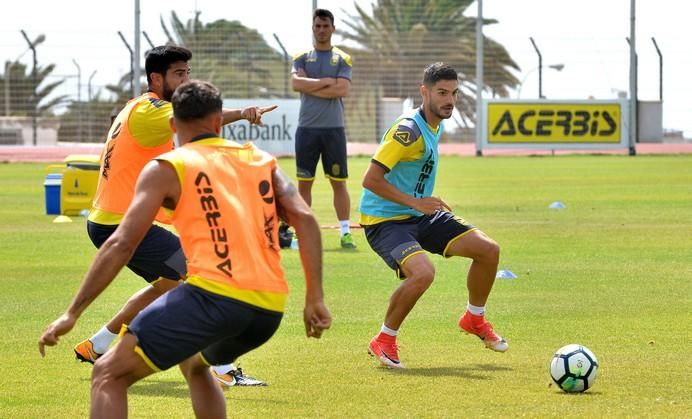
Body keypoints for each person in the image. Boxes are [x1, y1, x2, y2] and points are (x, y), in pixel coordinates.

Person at [39, 80, 331, 418]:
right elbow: (306, 221)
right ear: (220, 122)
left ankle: (100, 344)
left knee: (108, 374)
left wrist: (72, 313)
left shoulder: (168, 166)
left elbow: (120, 243)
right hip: (268, 308)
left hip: (213, 298)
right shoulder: (262, 160)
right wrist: (315, 298)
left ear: (174, 126)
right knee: (195, 364)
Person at [73, 45, 274, 386]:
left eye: (187, 74)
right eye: (178, 74)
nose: (185, 80)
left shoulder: (137, 106)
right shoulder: (152, 110)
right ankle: (221, 368)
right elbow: (197, 122)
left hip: (114, 220)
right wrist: (243, 112)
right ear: (157, 78)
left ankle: (98, 345)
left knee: (167, 284)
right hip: (120, 224)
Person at [359, 63, 508, 369]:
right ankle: (384, 339)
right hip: (384, 221)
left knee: (488, 250)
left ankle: (474, 318)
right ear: (424, 91)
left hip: (419, 215)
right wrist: (417, 202)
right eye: (441, 92)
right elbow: (370, 179)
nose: (449, 99)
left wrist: (420, 204)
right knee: (423, 273)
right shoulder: (407, 130)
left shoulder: (435, 123)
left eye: (454, 93)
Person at [291, 8, 356, 249]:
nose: (321, 30)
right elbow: (295, 83)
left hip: (333, 130)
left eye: (325, 26)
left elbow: (342, 90)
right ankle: (300, 234)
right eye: (317, 26)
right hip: (307, 129)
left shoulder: (342, 59)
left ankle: (346, 233)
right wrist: (326, 82)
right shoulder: (300, 56)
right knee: (304, 184)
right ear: (313, 28)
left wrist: (311, 85)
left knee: (338, 183)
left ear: (333, 28)